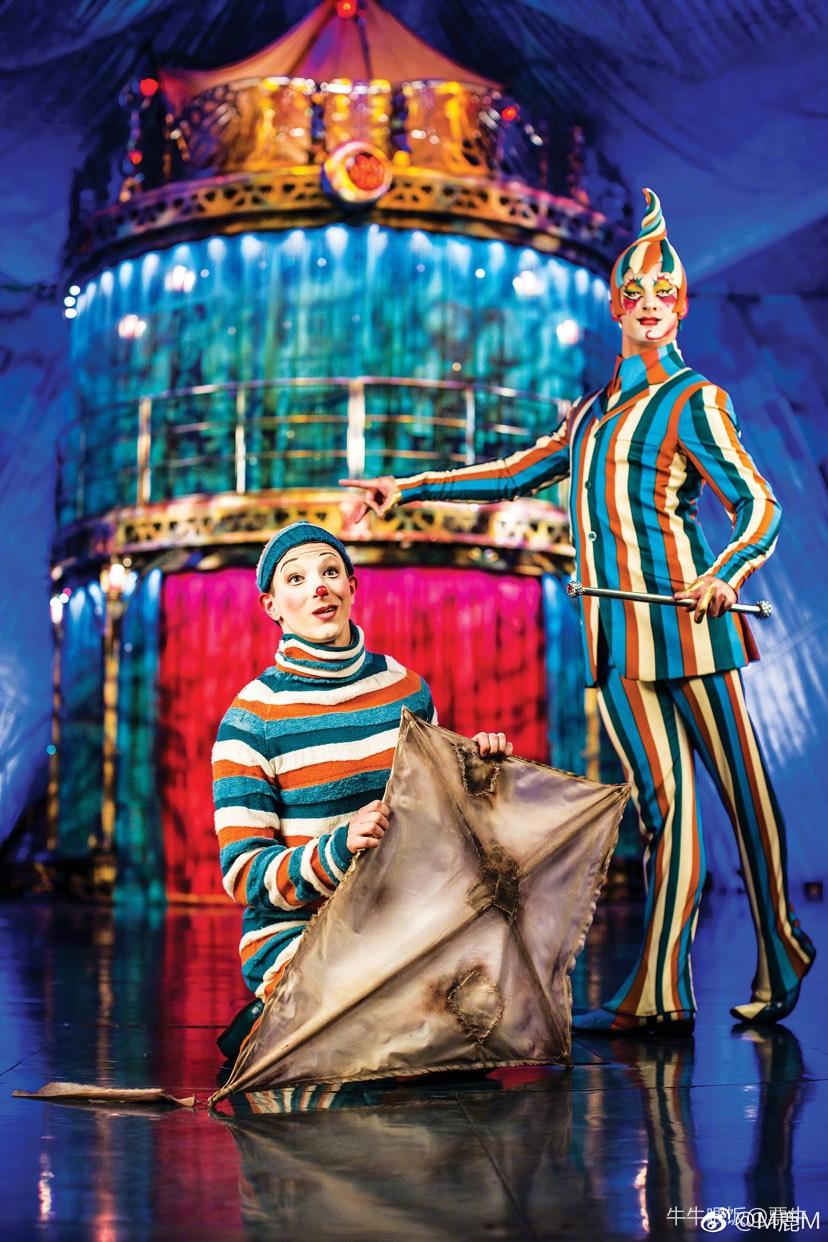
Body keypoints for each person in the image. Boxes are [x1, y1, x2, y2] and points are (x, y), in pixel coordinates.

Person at [341, 189, 815, 1035]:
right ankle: (660, 992)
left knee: (744, 792)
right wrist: (405, 488)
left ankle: (781, 943)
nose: (648, 304)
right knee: (666, 812)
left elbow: (760, 506)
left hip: (691, 626)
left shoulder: (694, 400)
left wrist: (724, 573)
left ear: (680, 306)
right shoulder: (593, 413)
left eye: (663, 293)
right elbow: (511, 474)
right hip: (616, 637)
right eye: (634, 293)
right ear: (615, 308)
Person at [212, 520, 512, 1057]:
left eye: (330, 573)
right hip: (303, 933)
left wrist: (479, 772)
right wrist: (337, 849)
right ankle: (274, 1018)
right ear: (271, 606)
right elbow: (243, 874)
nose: (318, 587)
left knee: (475, 1024)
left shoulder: (406, 690)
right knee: (377, 1033)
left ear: (352, 587)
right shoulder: (250, 720)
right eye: (296, 579)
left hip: (401, 920)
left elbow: (441, 823)